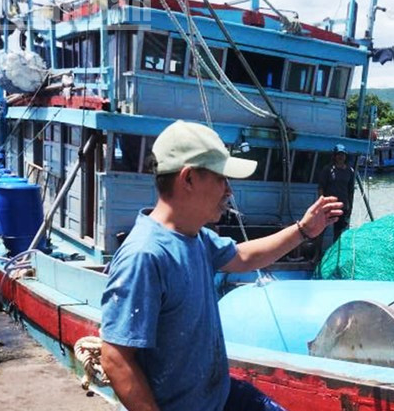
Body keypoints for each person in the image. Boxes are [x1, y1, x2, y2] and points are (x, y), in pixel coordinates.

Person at [100, 120, 343, 411]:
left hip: (220, 398)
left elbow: (243, 257)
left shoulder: (196, 237)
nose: (228, 190)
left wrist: (303, 230)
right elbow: (115, 357)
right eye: (221, 179)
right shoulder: (145, 256)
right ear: (189, 179)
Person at [317, 144, 355, 242]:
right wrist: (321, 204)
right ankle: (317, 250)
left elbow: (351, 190)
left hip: (342, 206)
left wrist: (350, 206)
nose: (340, 157)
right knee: (321, 230)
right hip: (328, 205)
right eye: (338, 154)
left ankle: (336, 251)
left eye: (343, 154)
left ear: (345, 156)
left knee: (338, 232)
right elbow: (321, 187)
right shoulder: (328, 169)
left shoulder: (349, 171)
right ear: (334, 156)